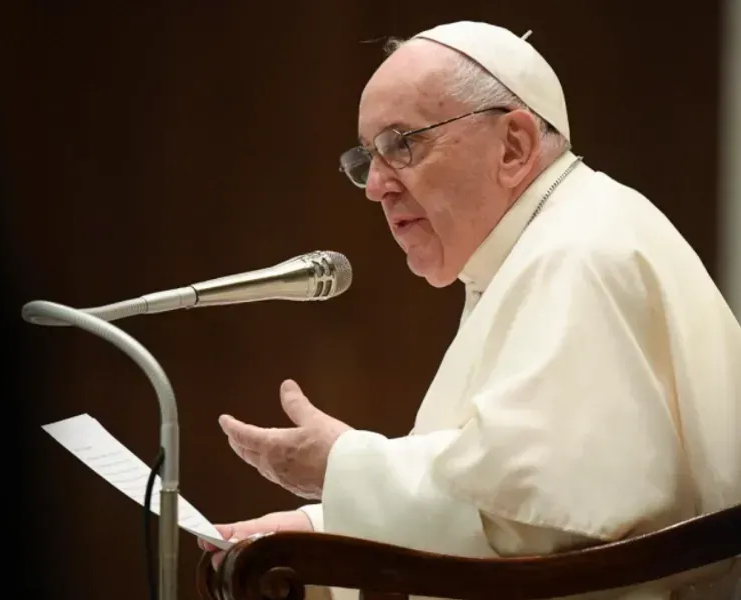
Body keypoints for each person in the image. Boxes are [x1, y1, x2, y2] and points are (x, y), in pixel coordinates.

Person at [200, 21, 741, 599]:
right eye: (367, 157)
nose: (375, 185)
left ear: (513, 146)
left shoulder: (579, 252)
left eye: (401, 144)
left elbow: (540, 527)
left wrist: (342, 465)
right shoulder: (539, 247)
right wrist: (316, 532)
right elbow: (498, 509)